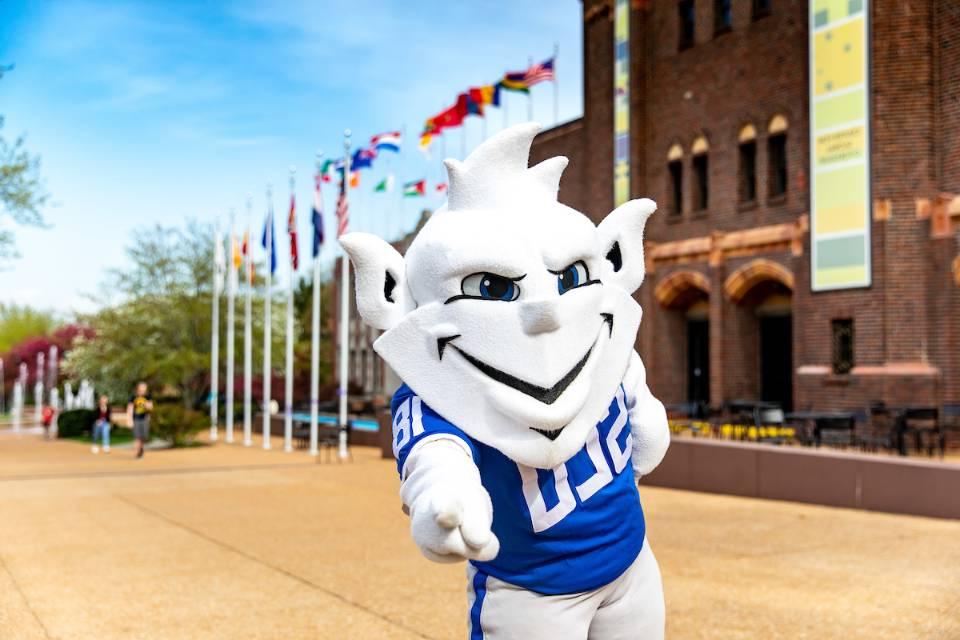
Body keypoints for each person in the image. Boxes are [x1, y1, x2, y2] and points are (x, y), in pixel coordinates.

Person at [127, 382, 153, 459]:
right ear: (138, 388)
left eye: (144, 387)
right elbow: (130, 408)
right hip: (136, 419)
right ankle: (137, 453)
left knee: (143, 437)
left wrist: (146, 405)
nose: (143, 389)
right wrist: (129, 419)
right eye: (141, 387)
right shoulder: (133, 397)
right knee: (137, 437)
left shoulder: (148, 396)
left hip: (145, 419)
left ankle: (141, 449)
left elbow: (151, 407)